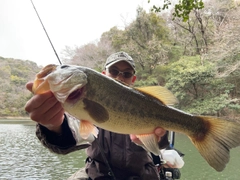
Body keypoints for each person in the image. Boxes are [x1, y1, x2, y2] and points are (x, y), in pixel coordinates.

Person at [25, 51, 183, 180]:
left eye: (126, 74)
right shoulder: (79, 104)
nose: (120, 77)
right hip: (98, 175)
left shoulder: (147, 104)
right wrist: (53, 127)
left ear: (133, 79)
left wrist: (157, 139)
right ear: (104, 74)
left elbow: (161, 144)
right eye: (114, 71)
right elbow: (71, 138)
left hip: (141, 175)